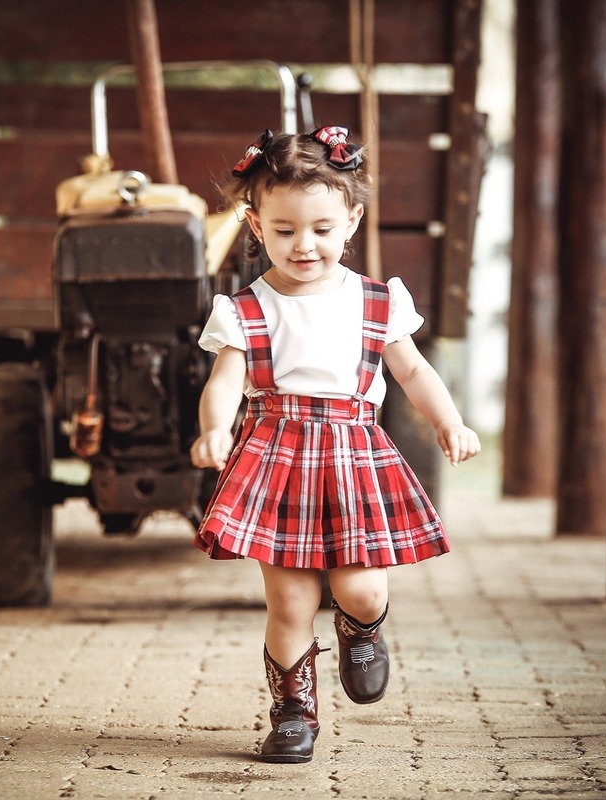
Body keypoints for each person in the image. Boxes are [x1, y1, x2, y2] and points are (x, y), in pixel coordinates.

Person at [190, 126, 481, 764]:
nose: (305, 245)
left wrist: (448, 420)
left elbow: (411, 371)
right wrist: (214, 429)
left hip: (354, 457)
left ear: (351, 219)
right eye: (286, 229)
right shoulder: (244, 308)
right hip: (276, 457)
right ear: (257, 225)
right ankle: (294, 712)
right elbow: (226, 380)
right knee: (290, 597)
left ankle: (362, 628)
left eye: (322, 228)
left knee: (361, 588)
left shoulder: (377, 301)